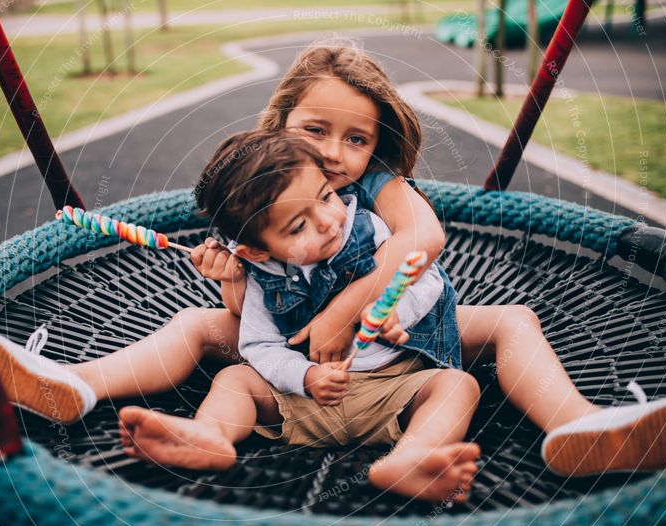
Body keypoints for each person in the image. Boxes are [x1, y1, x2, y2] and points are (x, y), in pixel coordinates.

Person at [0, 39, 666, 479]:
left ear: (374, 147)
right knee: (205, 329)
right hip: (294, 357)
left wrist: (346, 310)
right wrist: (234, 277)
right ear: (281, 120)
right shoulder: (258, 190)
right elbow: (255, 322)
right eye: (316, 130)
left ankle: (575, 424)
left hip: (397, 336)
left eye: (356, 140)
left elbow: (424, 245)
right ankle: (79, 385)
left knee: (510, 318)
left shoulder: (371, 188)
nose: (335, 153)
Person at [120, 129, 482, 502]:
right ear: (258, 251)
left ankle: (409, 460)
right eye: (298, 226)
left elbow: (424, 283)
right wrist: (305, 376)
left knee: (456, 385)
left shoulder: (368, 230)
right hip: (301, 402)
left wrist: (395, 315)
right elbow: (259, 346)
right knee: (236, 378)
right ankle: (211, 436)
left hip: (391, 387)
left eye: (326, 196)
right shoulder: (263, 274)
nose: (327, 221)